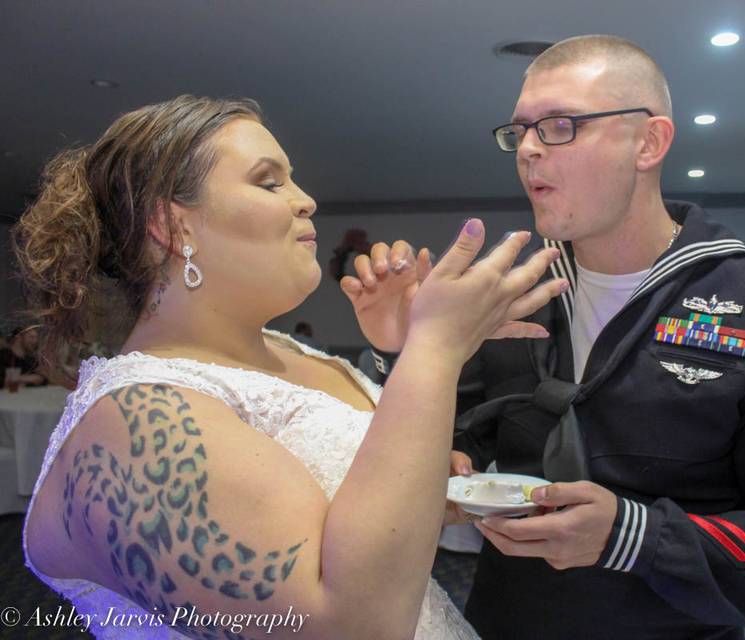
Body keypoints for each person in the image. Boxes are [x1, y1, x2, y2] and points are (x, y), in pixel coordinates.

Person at [344, 35, 745, 639]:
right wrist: (403, 350)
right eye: (519, 131)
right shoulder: (504, 292)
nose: (527, 150)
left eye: (558, 126)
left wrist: (633, 537)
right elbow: (442, 445)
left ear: (649, 142)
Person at [16, 95, 565, 639]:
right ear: (171, 226)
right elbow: (350, 628)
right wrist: (435, 348)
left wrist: (427, 480)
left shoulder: (295, 353)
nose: (307, 201)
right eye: (270, 181)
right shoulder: (133, 420)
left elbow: (351, 521)